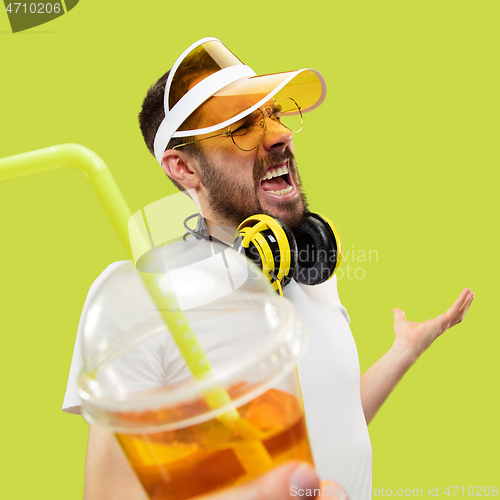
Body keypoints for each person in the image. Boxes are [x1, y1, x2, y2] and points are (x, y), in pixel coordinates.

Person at [63, 38, 474, 499]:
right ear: (184, 168)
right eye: (241, 126)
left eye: (274, 114)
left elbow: (330, 424)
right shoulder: (142, 298)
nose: (280, 135)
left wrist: (403, 353)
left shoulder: (307, 270)